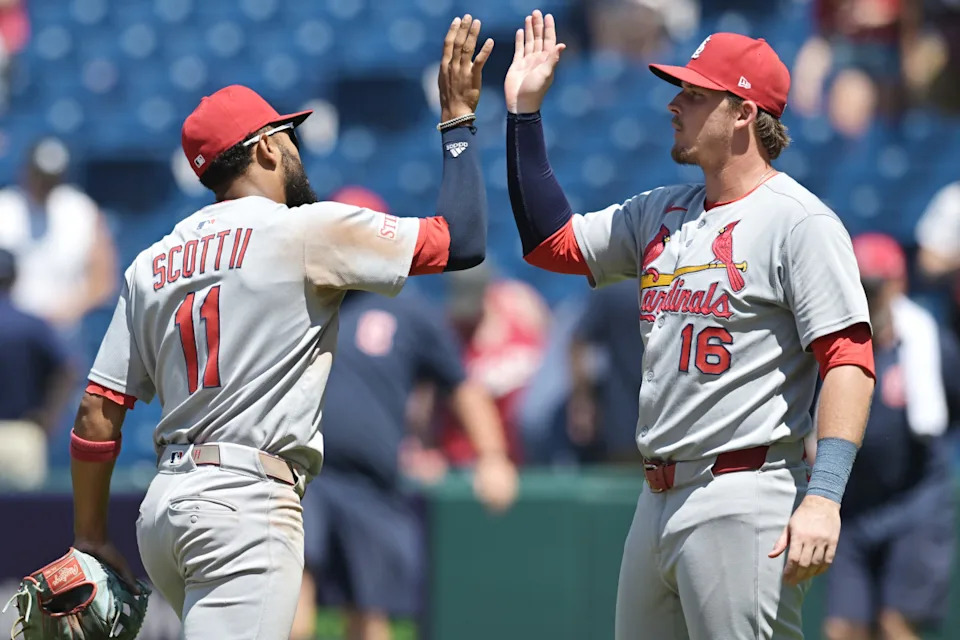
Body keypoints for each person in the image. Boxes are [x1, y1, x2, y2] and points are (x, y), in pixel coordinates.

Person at [64, 14, 493, 640]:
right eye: (289, 137)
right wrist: (456, 122)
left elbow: (96, 415)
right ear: (265, 146)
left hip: (164, 508)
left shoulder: (150, 263)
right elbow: (462, 241)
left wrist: (89, 534)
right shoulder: (302, 230)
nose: (296, 149)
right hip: (245, 501)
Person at [504, 11, 875, 639]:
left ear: (742, 114)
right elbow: (551, 245)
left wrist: (824, 497)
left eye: (695, 94)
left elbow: (850, 360)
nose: (675, 104)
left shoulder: (799, 222)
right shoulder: (662, 211)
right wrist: (524, 115)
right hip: (655, 495)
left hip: (745, 490)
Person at [292, 289, 518, 640]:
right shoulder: (304, 303)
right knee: (292, 610)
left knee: (371, 618)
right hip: (303, 477)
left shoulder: (410, 313)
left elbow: (461, 386)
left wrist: (493, 457)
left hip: (371, 487)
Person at [822, 233, 959, 640]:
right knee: (843, 628)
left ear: (896, 286)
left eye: (872, 288)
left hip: (915, 501)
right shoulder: (831, 345)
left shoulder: (928, 344)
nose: (864, 298)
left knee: (895, 625)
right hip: (852, 506)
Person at [0, 137, 117, 336]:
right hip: (11, 333)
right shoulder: (5, 208)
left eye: (50, 179)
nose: (43, 185)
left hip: (63, 332)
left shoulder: (81, 210)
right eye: (39, 176)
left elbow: (103, 280)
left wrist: (69, 311)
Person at [439, 262, 549, 466]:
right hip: (473, 459)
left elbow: (552, 359)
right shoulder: (448, 335)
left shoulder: (521, 305)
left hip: (529, 452)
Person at [0, 248, 75, 490]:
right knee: (24, 522)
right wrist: (50, 418)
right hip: (24, 435)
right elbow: (67, 370)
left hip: (25, 432)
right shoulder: (32, 325)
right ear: (14, 277)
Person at [568, 279, 645, 463]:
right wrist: (583, 401)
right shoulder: (689, 284)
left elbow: (578, 343)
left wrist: (582, 401)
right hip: (630, 410)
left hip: (626, 416)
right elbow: (579, 343)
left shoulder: (614, 286)